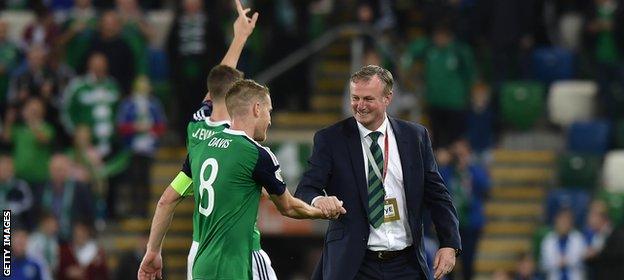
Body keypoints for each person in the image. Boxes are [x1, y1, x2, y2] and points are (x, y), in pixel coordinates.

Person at [139, 2, 285, 279]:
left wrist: (153, 250)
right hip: (240, 253)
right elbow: (282, 203)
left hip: (200, 254)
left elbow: (167, 200)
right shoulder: (240, 144)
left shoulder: (198, 127)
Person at [139, 79, 338, 280]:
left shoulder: (200, 148)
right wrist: (324, 211)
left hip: (201, 265)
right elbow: (288, 207)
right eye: (269, 111)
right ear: (257, 109)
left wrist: (153, 252)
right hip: (234, 266)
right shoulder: (256, 155)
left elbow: (166, 201)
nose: (270, 120)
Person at [295, 65, 461, 280]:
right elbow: (306, 188)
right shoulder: (331, 139)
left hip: (406, 263)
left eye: (368, 99)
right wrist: (318, 200)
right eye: (355, 98)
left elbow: (438, 195)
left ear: (387, 98)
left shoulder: (415, 137)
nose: (360, 106)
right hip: (355, 265)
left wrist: (449, 243)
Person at [540, 208, 587, 280]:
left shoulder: (578, 238)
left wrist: (565, 261)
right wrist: (559, 262)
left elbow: (580, 259)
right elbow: (545, 263)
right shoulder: (548, 240)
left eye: (566, 221)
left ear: (571, 222)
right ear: (556, 221)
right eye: (562, 221)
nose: (564, 224)